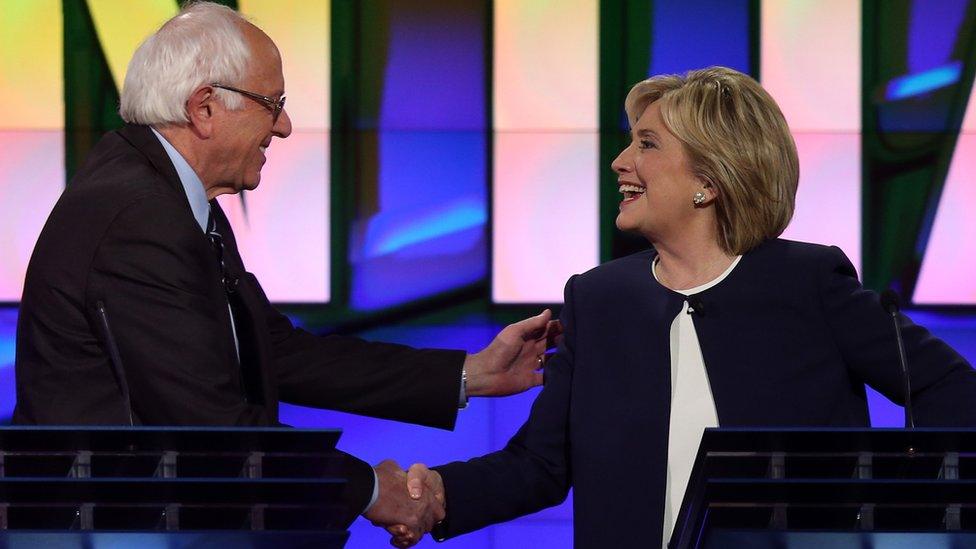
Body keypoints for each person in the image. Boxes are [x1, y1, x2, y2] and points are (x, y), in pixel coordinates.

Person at [13, 1, 557, 538]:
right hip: (117, 531)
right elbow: (207, 427)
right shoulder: (140, 217)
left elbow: (275, 352)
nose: (286, 127)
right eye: (272, 104)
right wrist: (369, 488)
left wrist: (469, 374)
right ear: (204, 107)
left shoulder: (165, 196)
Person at [387, 66, 976, 547]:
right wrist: (438, 494)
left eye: (646, 144)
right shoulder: (598, 300)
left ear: (710, 179)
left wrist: (900, 510)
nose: (620, 162)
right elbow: (539, 464)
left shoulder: (805, 282)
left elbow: (949, 386)